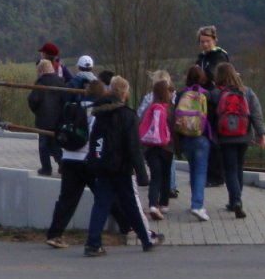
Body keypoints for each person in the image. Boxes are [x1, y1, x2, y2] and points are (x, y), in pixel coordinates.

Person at [45, 80, 135, 248]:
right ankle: (126, 225)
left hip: (69, 158)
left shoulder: (72, 108)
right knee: (106, 196)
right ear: (102, 94)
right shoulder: (98, 112)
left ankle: (54, 234)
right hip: (88, 161)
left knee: (66, 199)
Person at [84, 76, 158, 256]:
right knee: (131, 205)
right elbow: (133, 147)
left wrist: (94, 161)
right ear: (124, 94)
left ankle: (93, 244)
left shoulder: (100, 113)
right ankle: (146, 239)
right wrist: (142, 174)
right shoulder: (128, 115)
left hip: (102, 166)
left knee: (100, 205)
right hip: (121, 167)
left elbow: (95, 140)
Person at [209, 63, 265, 219]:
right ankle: (235, 200)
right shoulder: (246, 91)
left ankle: (236, 201)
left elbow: (210, 118)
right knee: (238, 168)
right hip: (244, 136)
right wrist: (262, 134)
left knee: (230, 170)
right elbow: (256, 114)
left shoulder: (215, 94)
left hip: (224, 137)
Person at [176, 65, 213, 221]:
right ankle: (197, 205)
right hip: (201, 138)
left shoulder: (180, 94)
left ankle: (195, 202)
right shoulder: (207, 95)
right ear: (202, 78)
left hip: (185, 138)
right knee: (200, 172)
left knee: (193, 170)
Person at [196, 26, 229, 187]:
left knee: (214, 139)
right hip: (203, 101)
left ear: (214, 40)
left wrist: (199, 76)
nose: (205, 44)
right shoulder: (202, 58)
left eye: (208, 41)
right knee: (206, 138)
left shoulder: (219, 56)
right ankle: (208, 173)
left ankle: (217, 176)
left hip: (216, 101)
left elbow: (210, 75)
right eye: (202, 42)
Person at [140, 80, 174, 220]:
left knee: (155, 177)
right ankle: (164, 204)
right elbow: (174, 128)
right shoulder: (170, 108)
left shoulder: (150, 107)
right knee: (166, 176)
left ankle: (153, 205)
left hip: (150, 147)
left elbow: (142, 123)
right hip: (167, 147)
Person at [28, 59, 64, 176]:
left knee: (43, 145)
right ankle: (62, 164)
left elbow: (33, 100)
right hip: (58, 119)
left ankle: (46, 168)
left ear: (41, 70)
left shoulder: (40, 83)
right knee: (55, 143)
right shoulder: (60, 81)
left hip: (43, 119)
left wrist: (36, 111)